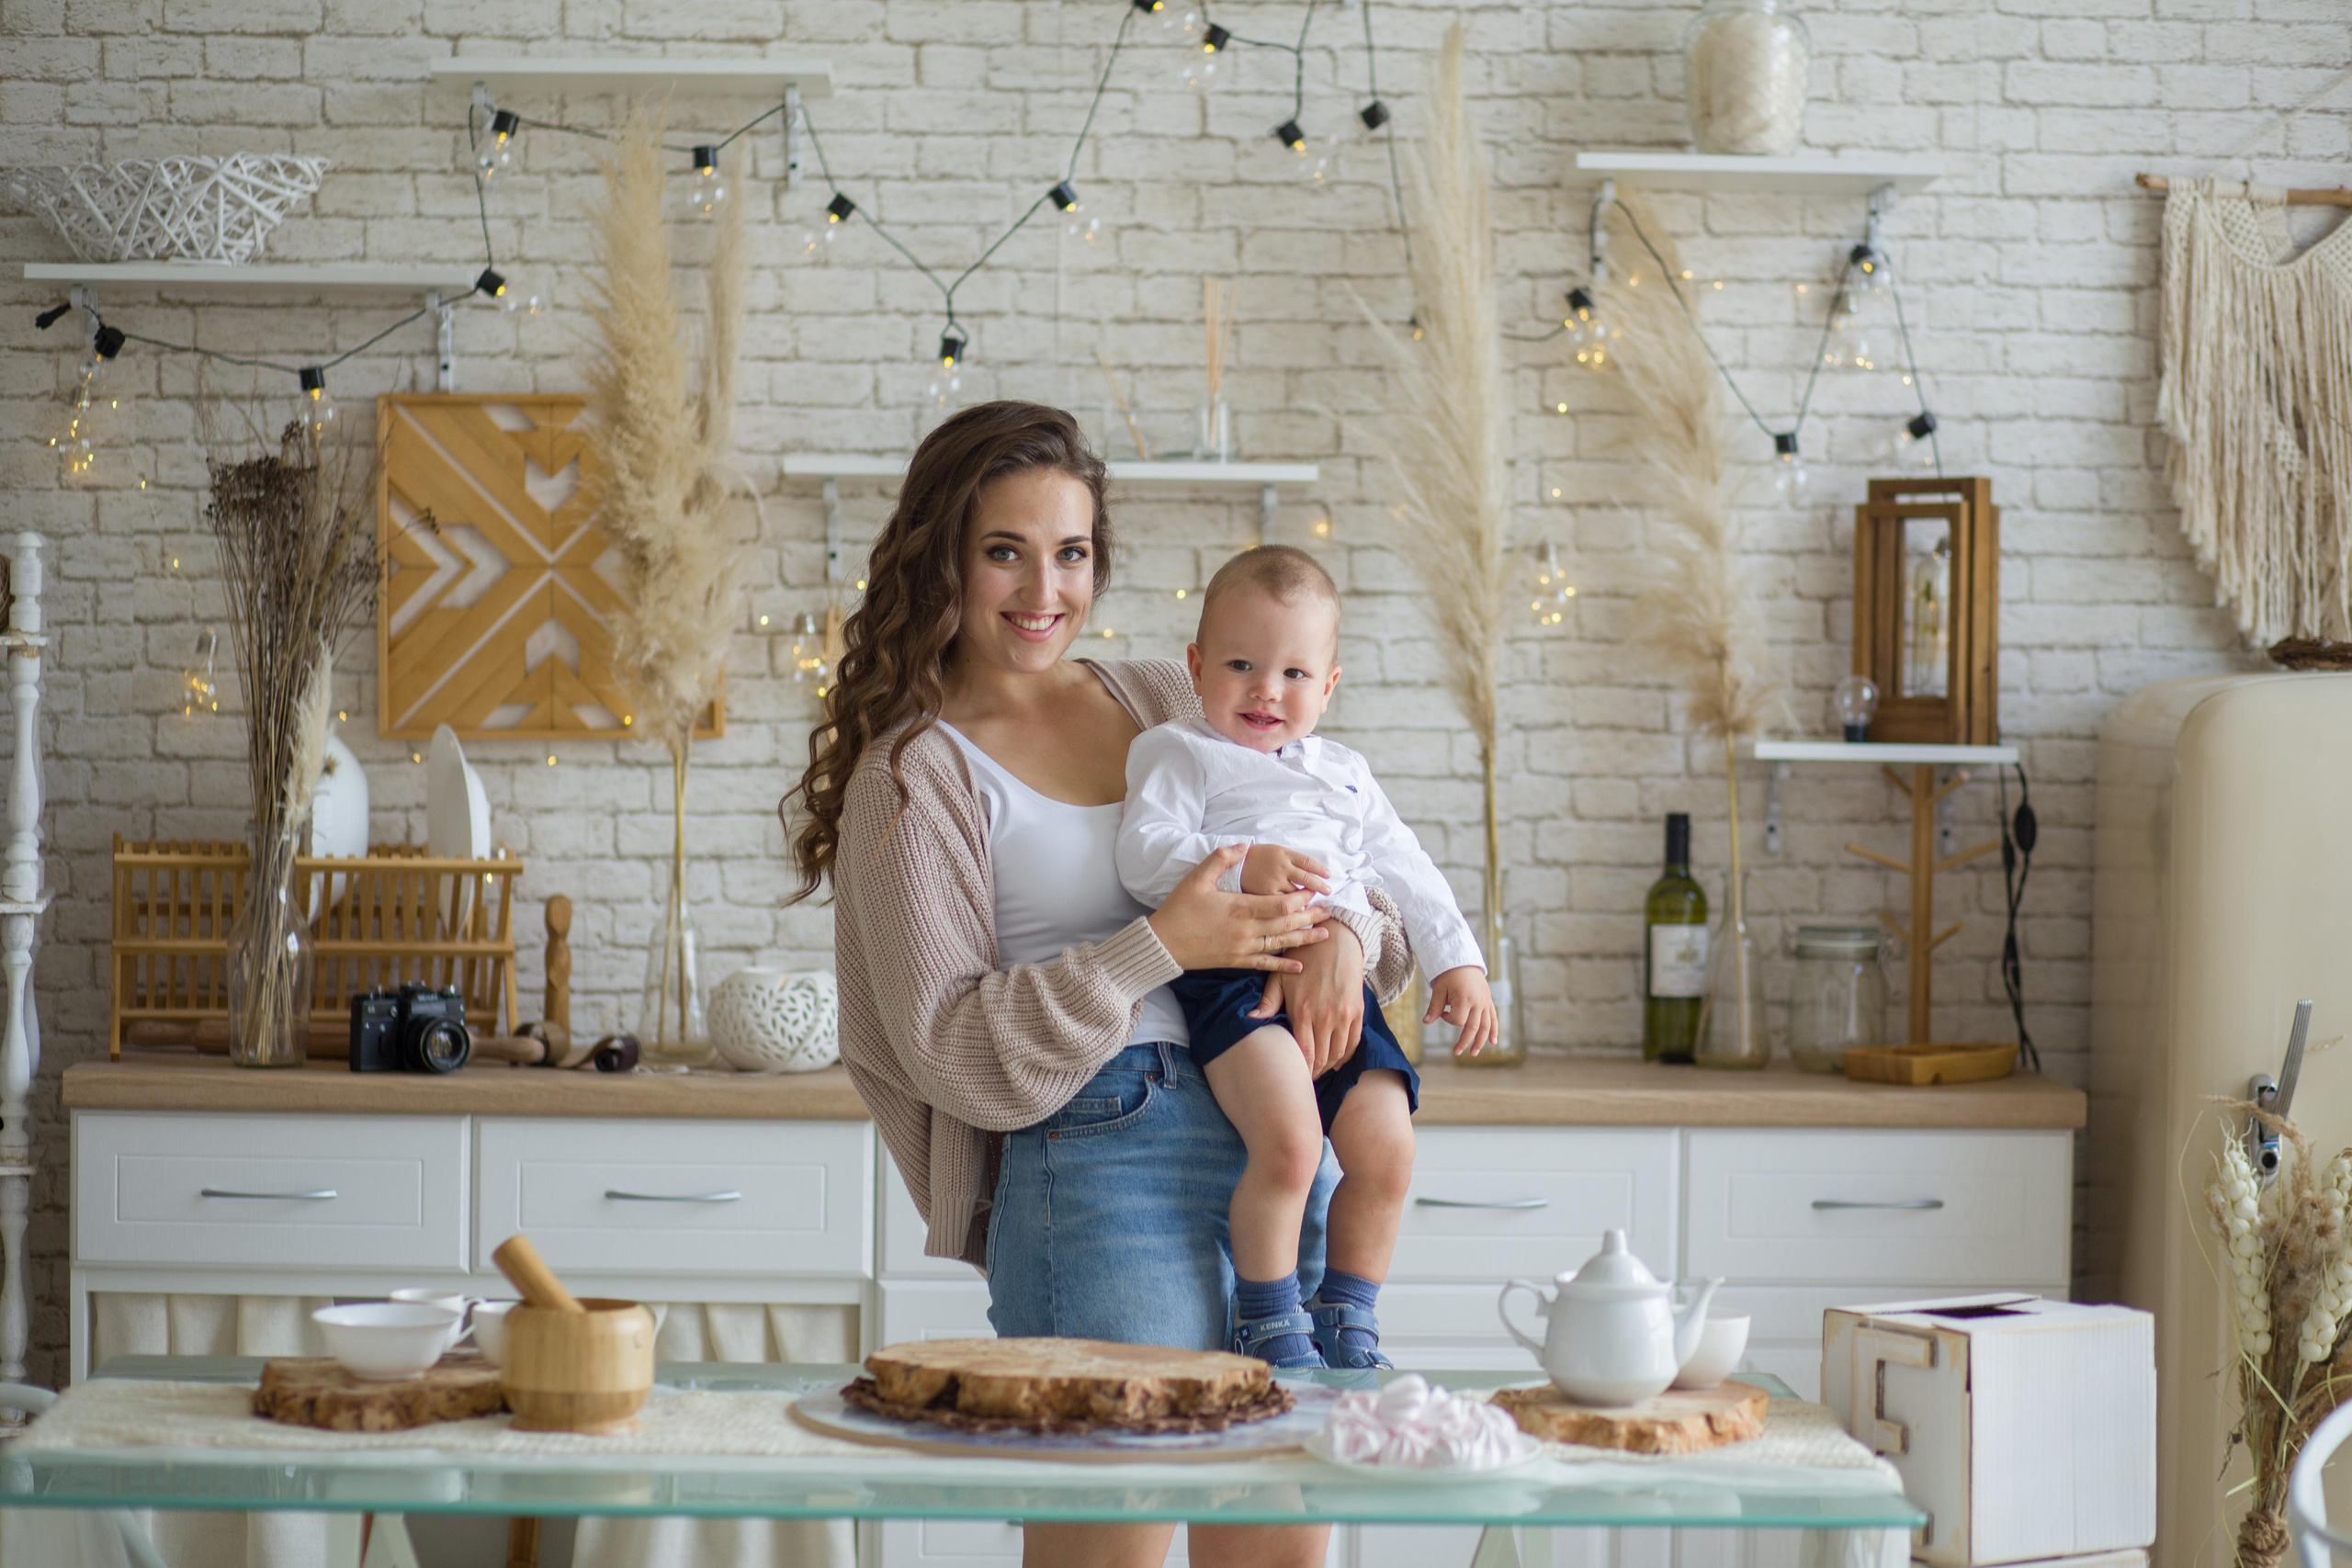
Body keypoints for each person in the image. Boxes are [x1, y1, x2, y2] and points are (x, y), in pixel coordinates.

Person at [786, 400, 1415, 1568]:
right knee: (1113, 1541)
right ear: (944, 558)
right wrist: (1160, 944)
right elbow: (954, 1050)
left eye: (1069, 553)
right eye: (1004, 551)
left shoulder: (1164, 701)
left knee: (1281, 1529)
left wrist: (1345, 937)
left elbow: (1342, 854)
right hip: (1094, 1157)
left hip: (1270, 1140)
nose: (1042, 589)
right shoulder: (913, 777)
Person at [1116, 546, 1497, 1372]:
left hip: (1344, 988)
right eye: (1242, 664)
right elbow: (1142, 857)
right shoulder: (1177, 751)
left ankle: (1348, 1311)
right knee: (1290, 1146)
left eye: (1294, 673)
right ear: (1195, 664)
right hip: (1238, 979)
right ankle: (1266, 1314)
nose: (1265, 690)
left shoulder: (1348, 774)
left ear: (1328, 687)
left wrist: (1458, 963)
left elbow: (1407, 871)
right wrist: (1239, 859)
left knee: (1388, 1148)